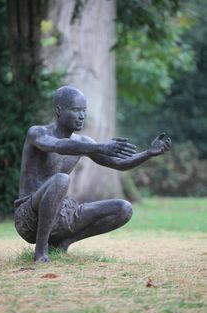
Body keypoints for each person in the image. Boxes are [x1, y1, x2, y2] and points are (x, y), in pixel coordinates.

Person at [14, 86, 171, 263]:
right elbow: (57, 146)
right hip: (28, 217)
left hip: (62, 216)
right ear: (59, 110)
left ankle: (63, 242)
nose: (82, 116)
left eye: (84, 111)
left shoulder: (83, 143)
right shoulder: (37, 132)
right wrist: (99, 147)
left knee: (123, 209)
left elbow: (119, 163)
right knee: (60, 179)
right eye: (75, 110)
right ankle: (41, 253)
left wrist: (148, 153)